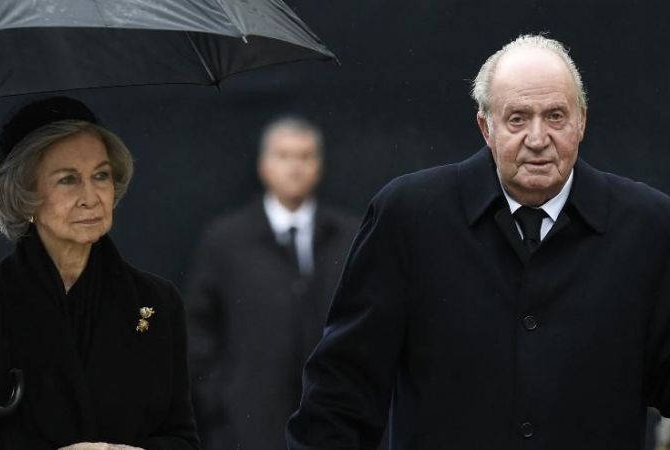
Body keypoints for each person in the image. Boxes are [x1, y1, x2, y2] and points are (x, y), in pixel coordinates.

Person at [287, 34, 670, 449]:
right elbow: (341, 397)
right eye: (518, 118)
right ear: (485, 127)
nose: (538, 138)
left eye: (556, 116)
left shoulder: (645, 225)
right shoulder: (411, 217)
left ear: (582, 123)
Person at [0, 97, 200, 450]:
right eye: (68, 180)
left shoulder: (156, 302)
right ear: (24, 196)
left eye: (101, 176)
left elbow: (183, 439)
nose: (91, 197)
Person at [185, 116, 359, 450]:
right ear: (264, 165)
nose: (294, 167)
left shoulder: (349, 236)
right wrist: (220, 398)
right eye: (283, 156)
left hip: (332, 423)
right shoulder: (225, 240)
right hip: (246, 425)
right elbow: (197, 327)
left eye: (305, 156)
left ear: (319, 166)